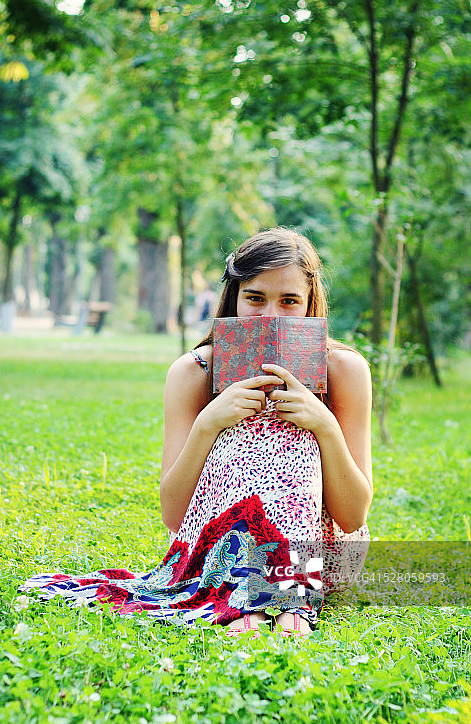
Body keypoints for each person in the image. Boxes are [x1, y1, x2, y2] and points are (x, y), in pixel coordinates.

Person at [20, 228, 372, 639]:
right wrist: (210, 424)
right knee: (247, 438)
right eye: (255, 298)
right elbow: (173, 514)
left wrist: (324, 427)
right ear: (234, 297)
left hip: (321, 559)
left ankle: (281, 594)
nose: (270, 316)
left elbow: (353, 517)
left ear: (311, 302)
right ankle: (254, 597)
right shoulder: (193, 372)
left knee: (289, 439)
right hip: (214, 560)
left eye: (289, 301)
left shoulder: (345, 369)